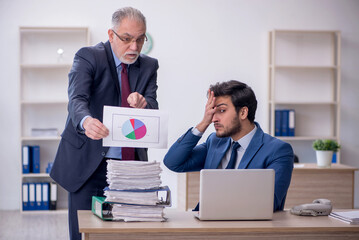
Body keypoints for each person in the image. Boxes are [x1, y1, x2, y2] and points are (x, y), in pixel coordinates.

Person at [50, 7, 159, 240]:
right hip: (88, 163)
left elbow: (153, 108)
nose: (134, 47)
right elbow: (77, 99)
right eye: (127, 39)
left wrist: (144, 104)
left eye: (140, 39)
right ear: (111, 35)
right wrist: (86, 121)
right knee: (85, 234)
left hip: (129, 166)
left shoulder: (149, 66)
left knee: (126, 233)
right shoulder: (89, 56)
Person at [164, 80, 293, 212]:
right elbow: (173, 162)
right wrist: (203, 123)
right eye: (213, 112)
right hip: (207, 223)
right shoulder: (215, 142)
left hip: (248, 227)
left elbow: (270, 203)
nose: (214, 119)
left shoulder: (278, 150)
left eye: (222, 110)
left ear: (243, 113)